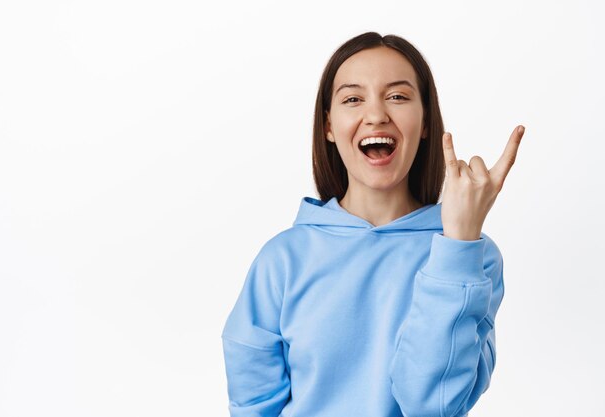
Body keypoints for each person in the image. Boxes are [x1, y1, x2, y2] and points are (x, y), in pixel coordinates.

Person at [220, 31, 525, 417]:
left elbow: (433, 405)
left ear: (426, 121)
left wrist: (458, 245)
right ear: (329, 126)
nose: (377, 114)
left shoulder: (472, 256)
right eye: (352, 99)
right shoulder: (281, 260)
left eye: (397, 96)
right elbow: (252, 407)